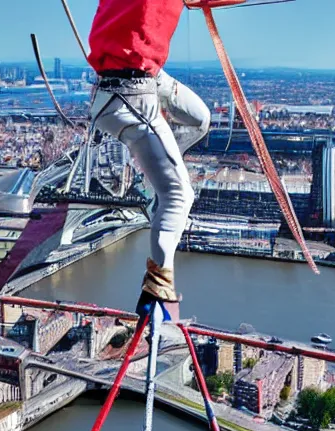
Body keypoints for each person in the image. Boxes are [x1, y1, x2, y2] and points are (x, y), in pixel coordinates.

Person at [88, 0, 210, 317]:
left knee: (201, 118)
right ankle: (157, 285)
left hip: (135, 79)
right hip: (131, 96)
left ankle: (160, 174)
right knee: (179, 194)